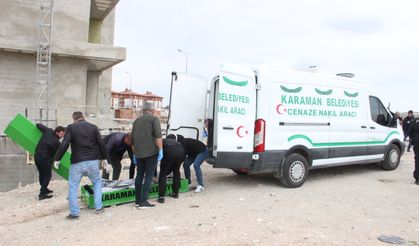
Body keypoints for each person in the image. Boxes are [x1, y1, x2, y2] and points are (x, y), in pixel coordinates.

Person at [54, 111, 108, 219]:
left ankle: (74, 213)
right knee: (97, 182)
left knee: (73, 186)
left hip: (77, 162)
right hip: (93, 161)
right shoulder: (93, 127)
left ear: (74, 119)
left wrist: (57, 159)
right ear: (83, 117)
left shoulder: (71, 128)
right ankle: (99, 208)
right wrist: (104, 158)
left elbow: (64, 144)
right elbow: (101, 143)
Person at [131, 102, 163, 209]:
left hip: (139, 153)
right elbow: (158, 135)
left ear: (142, 110)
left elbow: (132, 140)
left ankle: (137, 200)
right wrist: (161, 149)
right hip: (151, 153)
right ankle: (144, 201)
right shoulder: (154, 119)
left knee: (139, 176)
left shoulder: (136, 121)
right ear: (152, 110)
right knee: (149, 176)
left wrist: (134, 153)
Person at [34, 124, 65, 200]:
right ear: (57, 132)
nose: (62, 136)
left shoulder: (49, 131)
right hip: (44, 158)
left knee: (42, 174)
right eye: (62, 134)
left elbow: (38, 125)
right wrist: (51, 162)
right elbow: (53, 155)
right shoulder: (56, 143)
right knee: (47, 176)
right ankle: (42, 194)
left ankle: (44, 189)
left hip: (37, 156)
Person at [157, 135, 185, 203]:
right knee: (176, 171)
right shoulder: (176, 142)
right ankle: (175, 193)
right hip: (181, 152)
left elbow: (157, 151)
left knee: (163, 174)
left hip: (170, 151)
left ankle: (161, 197)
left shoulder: (163, 141)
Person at [408, 116, 419, 185]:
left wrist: (412, 140)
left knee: (417, 160)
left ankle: (418, 179)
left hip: (416, 142)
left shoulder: (414, 121)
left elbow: (410, 132)